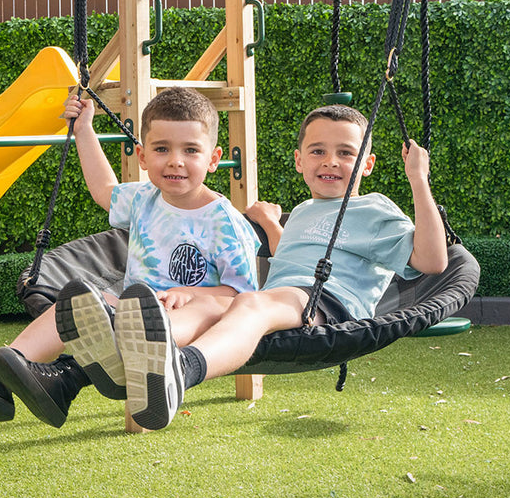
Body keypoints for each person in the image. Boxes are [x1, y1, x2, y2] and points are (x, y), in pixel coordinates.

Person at [61, 104, 450, 430]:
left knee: (249, 302)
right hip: (281, 303)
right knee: (206, 305)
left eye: (346, 153)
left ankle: (182, 371)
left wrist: (418, 180)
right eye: (317, 151)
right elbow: (290, 257)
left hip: (328, 306)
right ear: (299, 160)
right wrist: (269, 223)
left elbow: (433, 260)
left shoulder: (373, 209)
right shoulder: (304, 211)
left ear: (367, 164)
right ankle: (108, 362)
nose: (330, 161)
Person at [0, 86, 259, 429]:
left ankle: (69, 376)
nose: (176, 160)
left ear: (213, 159)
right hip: (134, 313)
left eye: (191, 150)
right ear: (142, 156)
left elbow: (242, 298)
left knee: (161, 318)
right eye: (162, 149)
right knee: (75, 305)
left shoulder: (224, 222)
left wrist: (190, 293)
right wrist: (83, 129)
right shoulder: (143, 199)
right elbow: (103, 190)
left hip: (190, 321)